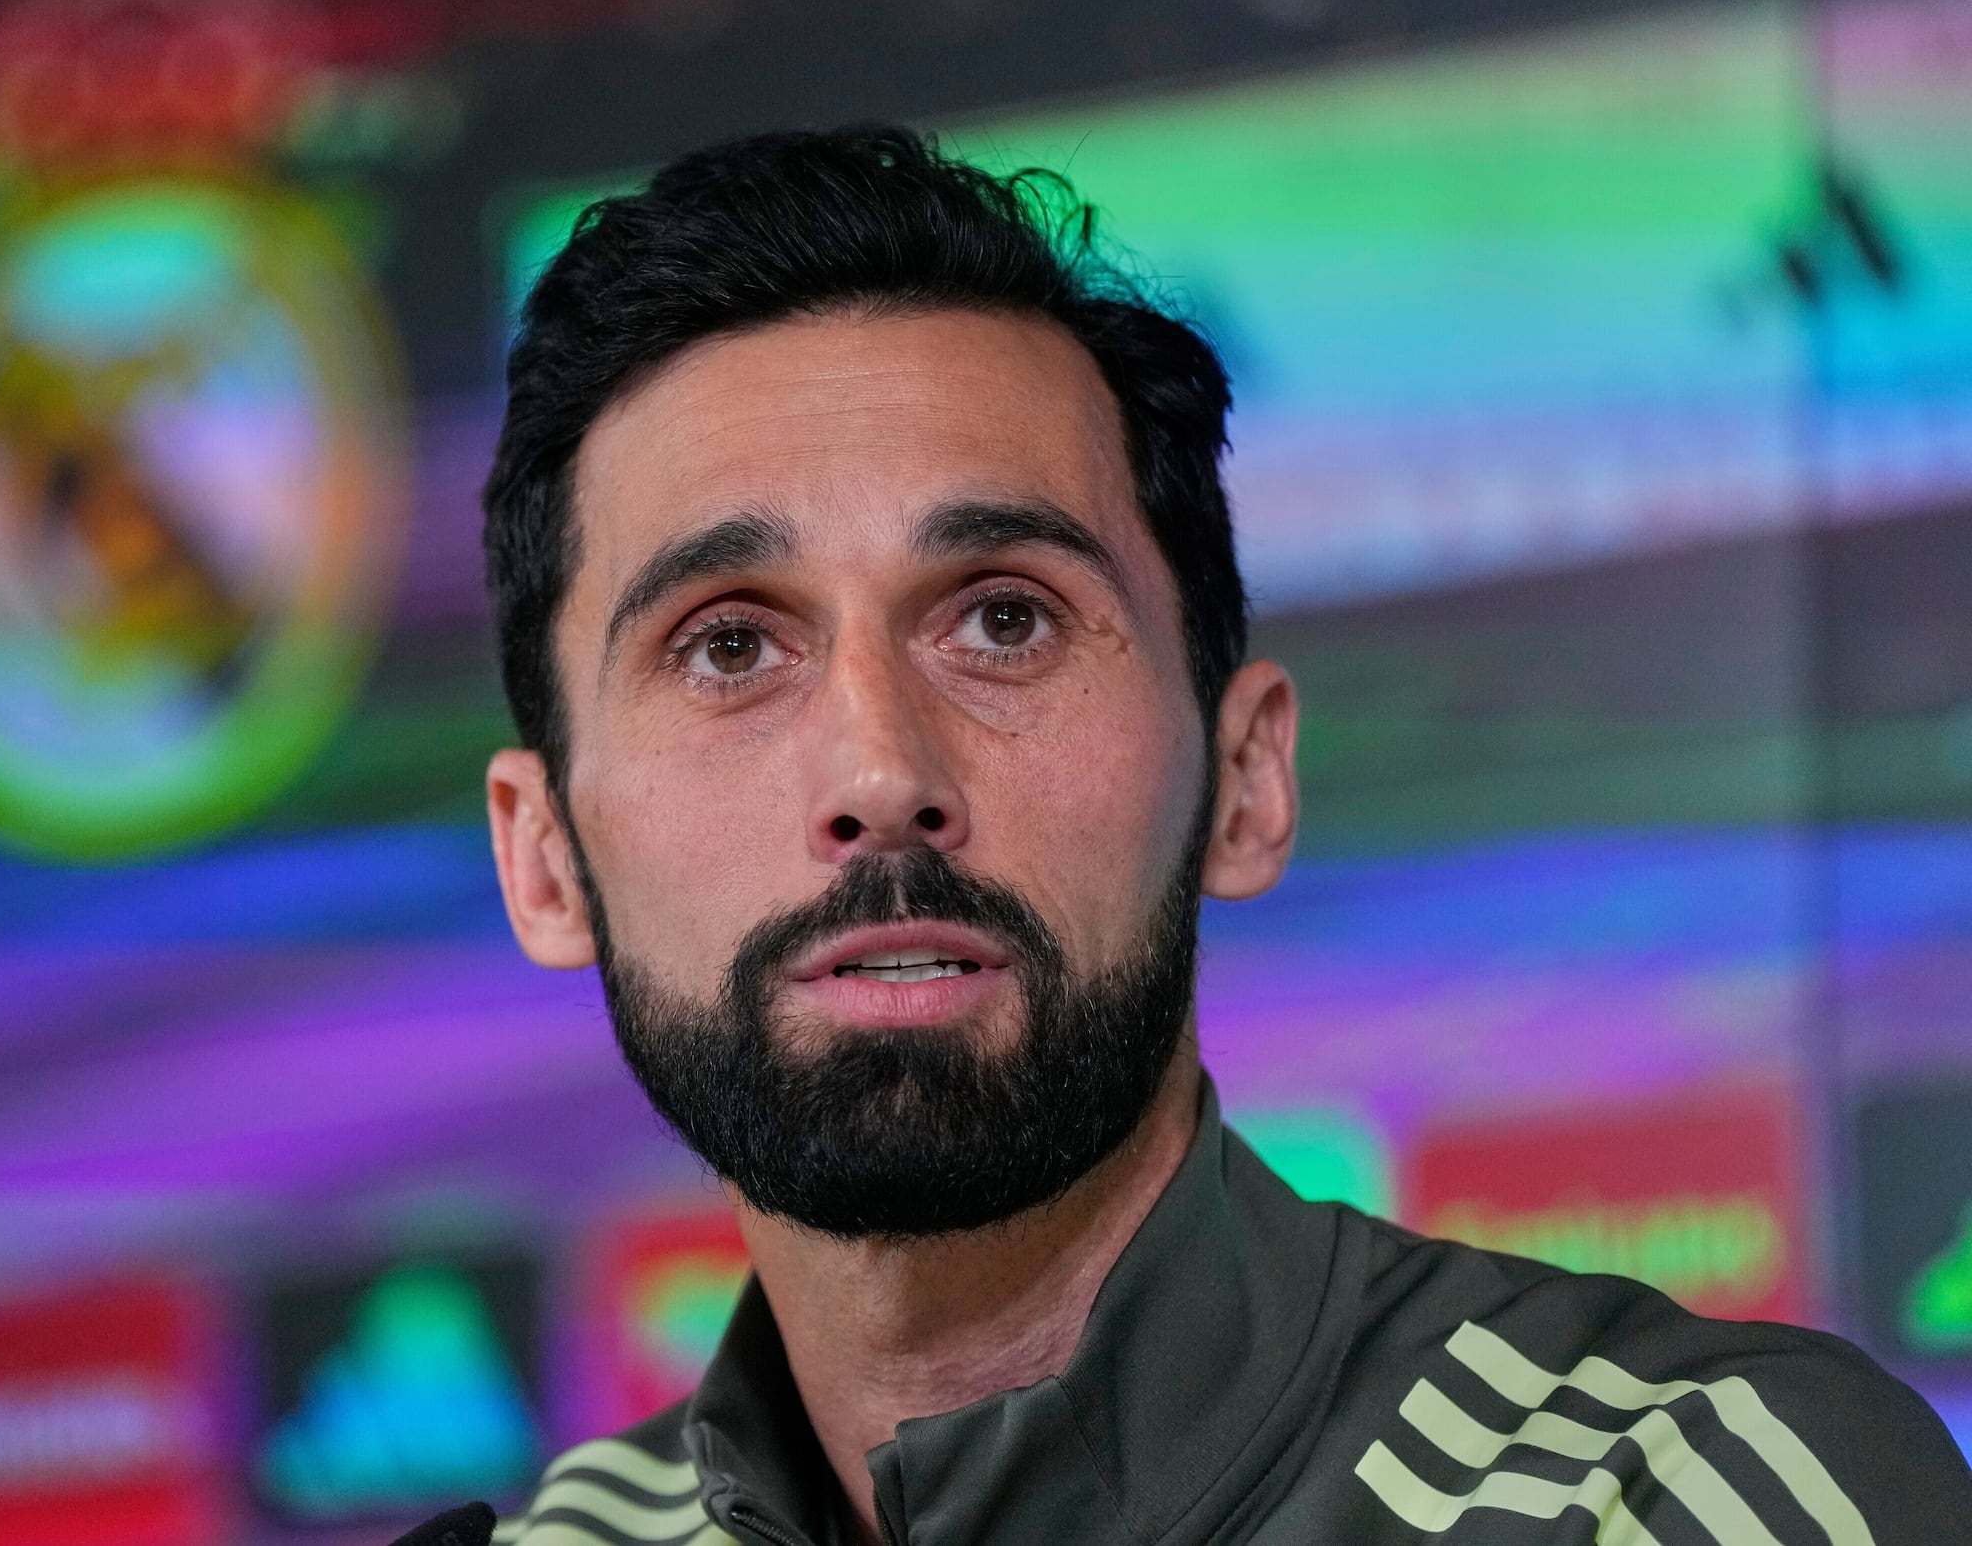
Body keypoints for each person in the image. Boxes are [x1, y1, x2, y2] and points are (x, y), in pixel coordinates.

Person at [472, 126, 1972, 1544]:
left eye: (1004, 619)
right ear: (544, 859)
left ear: (1246, 778)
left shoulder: (1691, 1503)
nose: (879, 769)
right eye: (730, 648)